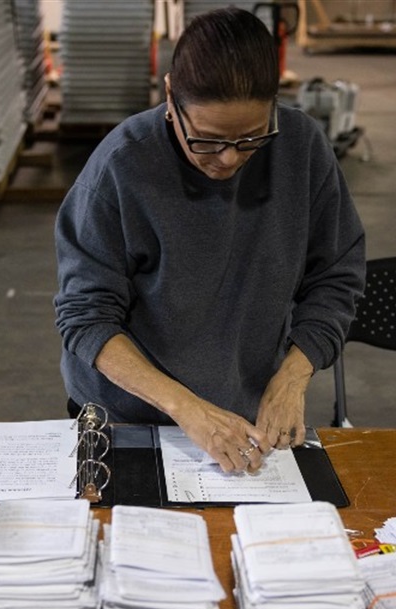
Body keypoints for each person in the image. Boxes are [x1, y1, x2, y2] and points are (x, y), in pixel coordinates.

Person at [54, 7, 365, 474]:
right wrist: (188, 409)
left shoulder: (301, 148)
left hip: (247, 416)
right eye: (205, 140)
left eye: (251, 138)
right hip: (128, 417)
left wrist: (292, 376)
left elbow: (337, 275)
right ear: (168, 98)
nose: (228, 160)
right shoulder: (122, 167)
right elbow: (86, 317)